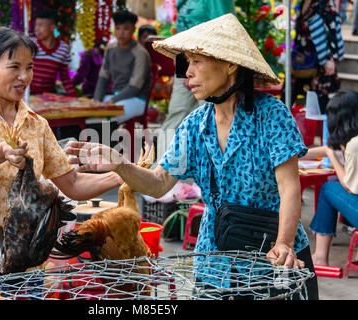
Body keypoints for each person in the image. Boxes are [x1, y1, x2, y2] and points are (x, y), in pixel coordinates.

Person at [66, 14, 319, 299]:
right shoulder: (195, 124)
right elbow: (159, 183)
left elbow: (289, 187)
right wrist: (121, 163)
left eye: (197, 62)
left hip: (273, 252)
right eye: (188, 62)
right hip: (215, 258)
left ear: (230, 64)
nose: (188, 72)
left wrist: (284, 243)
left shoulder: (271, 114)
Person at [0, 27, 123, 300]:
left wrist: (123, 175)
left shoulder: (37, 125)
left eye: (29, 67)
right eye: (14, 67)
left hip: (25, 257)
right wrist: (0, 152)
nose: (24, 77)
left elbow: (71, 183)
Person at [161, 0, 236, 133]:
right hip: (184, 59)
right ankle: (163, 153)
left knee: (210, 116)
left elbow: (226, 30)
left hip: (209, 64)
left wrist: (195, 67)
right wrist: (184, 67)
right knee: (177, 114)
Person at [302, 90, 358, 266]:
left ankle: (320, 257)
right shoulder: (352, 141)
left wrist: (331, 156)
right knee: (333, 187)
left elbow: (349, 186)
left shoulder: (354, 144)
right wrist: (292, 154)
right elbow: (327, 149)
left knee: (327, 189)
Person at [282, 0, 344, 114]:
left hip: (320, 61)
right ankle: (290, 125)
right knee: (289, 94)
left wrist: (331, 59)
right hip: (301, 60)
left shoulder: (324, 4)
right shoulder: (302, 4)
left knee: (319, 101)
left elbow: (333, 30)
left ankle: (321, 130)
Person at [93, 10, 151, 124]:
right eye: (118, 28)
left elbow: (135, 87)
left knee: (105, 118)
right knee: (86, 110)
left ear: (133, 29)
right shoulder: (110, 49)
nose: (121, 33)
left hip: (137, 99)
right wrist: (96, 100)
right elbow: (103, 77)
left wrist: (112, 100)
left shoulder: (140, 53)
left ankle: (107, 141)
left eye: (125, 29)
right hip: (116, 97)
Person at [30, 10, 76, 97]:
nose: (36, 28)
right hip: (29, 95)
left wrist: (74, 97)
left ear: (52, 27)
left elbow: (65, 77)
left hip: (50, 95)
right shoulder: (30, 45)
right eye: (36, 25)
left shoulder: (64, 49)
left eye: (40, 25)